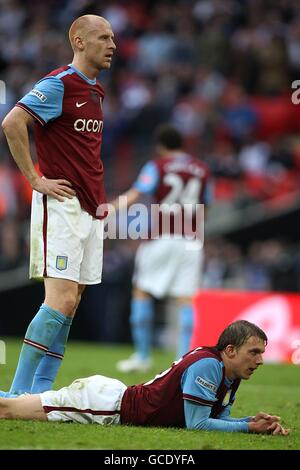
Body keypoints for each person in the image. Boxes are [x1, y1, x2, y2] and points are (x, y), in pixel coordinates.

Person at [0, 15, 116, 397]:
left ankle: (43, 391)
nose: (112, 45)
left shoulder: (96, 91)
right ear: (79, 42)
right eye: (103, 38)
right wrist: (34, 179)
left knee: (74, 301)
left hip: (89, 207)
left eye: (113, 38)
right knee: (60, 298)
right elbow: (13, 122)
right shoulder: (59, 84)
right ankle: (16, 395)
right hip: (62, 206)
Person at [0, 320, 289, 435]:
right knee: (9, 411)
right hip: (105, 407)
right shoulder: (208, 366)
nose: (260, 360)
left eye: (262, 353)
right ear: (230, 350)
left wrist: (250, 423)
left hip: (111, 398)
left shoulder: (232, 371)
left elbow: (216, 419)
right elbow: (197, 424)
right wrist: (247, 429)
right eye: (254, 352)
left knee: (18, 405)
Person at [113, 124, 212, 372]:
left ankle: (142, 356)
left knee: (142, 293)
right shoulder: (202, 169)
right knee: (185, 299)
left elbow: (137, 193)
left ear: (160, 145)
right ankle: (182, 361)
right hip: (191, 241)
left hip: (161, 237)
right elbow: (206, 206)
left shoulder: (156, 166)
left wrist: (108, 208)